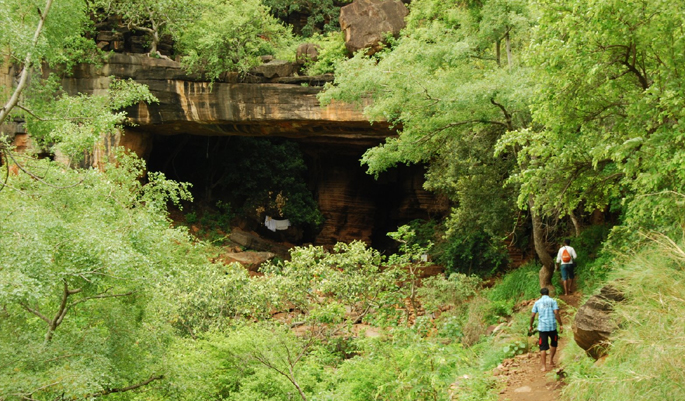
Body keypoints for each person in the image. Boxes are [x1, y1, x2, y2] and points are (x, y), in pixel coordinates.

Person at [529, 288, 563, 372]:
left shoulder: (537, 303)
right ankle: (551, 360)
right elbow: (556, 313)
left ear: (541, 294)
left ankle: (543, 366)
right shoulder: (553, 301)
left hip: (542, 327)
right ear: (548, 293)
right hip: (552, 326)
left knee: (543, 347)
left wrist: (530, 326)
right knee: (554, 343)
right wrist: (561, 324)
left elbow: (533, 315)